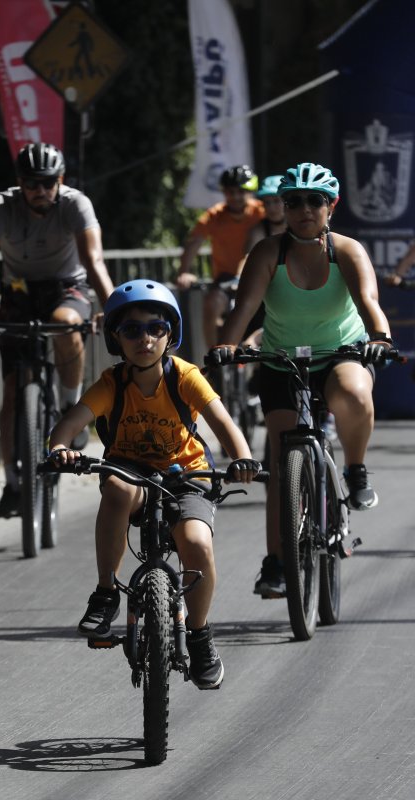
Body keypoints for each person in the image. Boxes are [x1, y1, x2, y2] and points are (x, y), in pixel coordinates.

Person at [47, 280, 260, 689]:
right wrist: (60, 449)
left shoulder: (185, 376)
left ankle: (199, 635)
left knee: (196, 543)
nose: (144, 338)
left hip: (187, 476)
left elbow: (223, 422)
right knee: (116, 488)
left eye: (155, 328)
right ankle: (106, 593)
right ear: (116, 338)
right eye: (131, 330)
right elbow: (70, 425)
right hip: (132, 474)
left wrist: (243, 458)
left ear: (170, 334)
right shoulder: (112, 384)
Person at [208, 162, 394, 598]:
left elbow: (369, 301)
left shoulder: (346, 251)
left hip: (341, 353)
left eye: (315, 200)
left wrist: (380, 339)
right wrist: (226, 347)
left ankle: (355, 469)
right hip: (281, 361)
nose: (304, 209)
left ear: (332, 206)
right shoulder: (268, 252)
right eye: (293, 201)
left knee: (352, 393)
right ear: (284, 207)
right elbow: (244, 307)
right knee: (279, 463)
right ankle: (276, 562)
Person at [0, 141, 114, 519]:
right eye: (31, 184)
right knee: (12, 392)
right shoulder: (1, 206)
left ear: (60, 180)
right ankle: (13, 484)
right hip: (20, 290)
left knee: (65, 323)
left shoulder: (76, 204)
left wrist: (114, 310)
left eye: (47, 183)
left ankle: (69, 406)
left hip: (67, 287)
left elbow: (93, 260)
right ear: (20, 183)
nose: (39, 191)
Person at [176, 165, 265, 348]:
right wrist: (184, 272)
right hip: (226, 280)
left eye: (241, 192)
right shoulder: (215, 215)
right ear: (224, 192)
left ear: (250, 192)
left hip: (259, 275)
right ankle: (214, 355)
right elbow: (194, 243)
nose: (236, 197)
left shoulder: (261, 213)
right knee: (212, 305)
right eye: (231, 192)